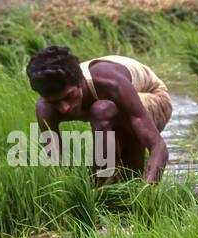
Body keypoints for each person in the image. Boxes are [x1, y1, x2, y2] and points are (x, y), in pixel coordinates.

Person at [25, 45, 172, 182]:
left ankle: (123, 183)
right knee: (110, 170)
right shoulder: (45, 108)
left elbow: (158, 146)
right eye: (54, 103)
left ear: (80, 82)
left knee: (101, 110)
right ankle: (107, 186)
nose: (64, 108)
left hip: (154, 97)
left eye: (69, 97)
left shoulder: (108, 81)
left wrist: (148, 191)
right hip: (115, 110)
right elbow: (56, 163)